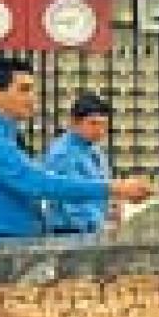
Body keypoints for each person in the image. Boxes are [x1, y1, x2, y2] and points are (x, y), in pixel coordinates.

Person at [0, 57, 148, 240]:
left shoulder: (6, 136)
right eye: (24, 90)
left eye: (33, 90)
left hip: (17, 241)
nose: (32, 98)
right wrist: (114, 188)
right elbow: (38, 183)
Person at [39, 92, 116, 236]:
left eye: (104, 125)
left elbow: (100, 188)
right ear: (74, 122)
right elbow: (70, 200)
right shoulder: (63, 154)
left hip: (92, 229)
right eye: (93, 123)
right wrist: (99, 225)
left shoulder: (94, 149)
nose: (100, 130)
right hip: (69, 232)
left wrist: (111, 208)